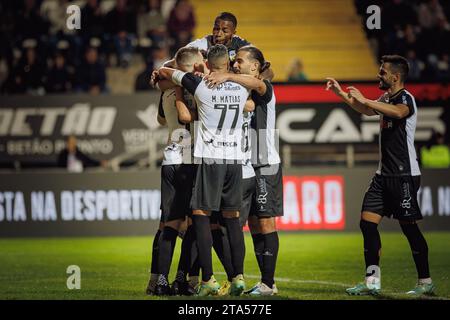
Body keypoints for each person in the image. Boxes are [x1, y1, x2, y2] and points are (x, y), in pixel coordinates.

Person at [326, 55, 435, 296]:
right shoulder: (386, 98)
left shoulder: (405, 99)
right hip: (382, 175)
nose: (379, 75)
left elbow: (398, 113)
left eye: (383, 72)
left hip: (404, 175)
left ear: (395, 77)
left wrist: (367, 99)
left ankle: (425, 281)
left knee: (409, 229)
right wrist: (342, 95)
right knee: (367, 224)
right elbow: (366, 110)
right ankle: (372, 282)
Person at [157, 44, 254, 296]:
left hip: (205, 158)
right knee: (230, 219)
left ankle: (204, 278)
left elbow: (169, 74)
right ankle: (237, 276)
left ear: (208, 64)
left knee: (196, 217)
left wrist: (163, 73)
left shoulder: (199, 86)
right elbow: (259, 92)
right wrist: (228, 75)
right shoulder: (243, 87)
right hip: (234, 160)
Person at [205, 45, 283, 296]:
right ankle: (254, 280)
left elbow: (259, 84)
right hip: (246, 165)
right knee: (247, 224)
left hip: (264, 164)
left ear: (254, 67)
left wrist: (227, 75)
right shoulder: (242, 91)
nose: (234, 64)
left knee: (265, 223)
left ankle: (268, 284)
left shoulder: (265, 89)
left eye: (239, 61)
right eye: (233, 62)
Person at [146, 46, 204, 296]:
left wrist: (164, 78)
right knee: (193, 223)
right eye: (200, 63)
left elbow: (161, 120)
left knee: (168, 224)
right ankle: (183, 279)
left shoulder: (167, 88)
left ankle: (159, 282)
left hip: (171, 157)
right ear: (192, 67)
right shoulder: (197, 89)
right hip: (191, 158)